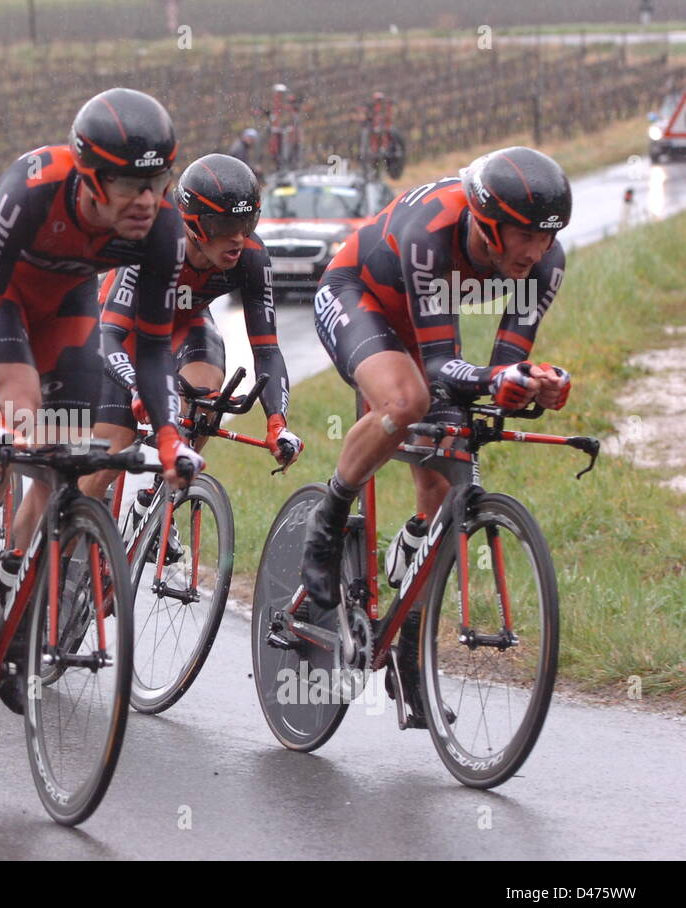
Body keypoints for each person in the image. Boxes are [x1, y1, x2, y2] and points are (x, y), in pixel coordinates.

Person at [301, 145, 573, 726]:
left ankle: (406, 647)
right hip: (358, 295)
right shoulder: (434, 233)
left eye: (548, 236)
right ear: (487, 224)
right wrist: (497, 378)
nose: (537, 250)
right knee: (407, 400)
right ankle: (327, 521)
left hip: (417, 322)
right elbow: (442, 364)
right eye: (526, 235)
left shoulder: (546, 264)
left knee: (442, 487)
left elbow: (502, 368)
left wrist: (531, 385)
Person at [0, 87, 203, 645]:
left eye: (158, 183)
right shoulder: (33, 189)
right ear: (93, 179)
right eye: (131, 186)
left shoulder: (164, 229)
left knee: (66, 451)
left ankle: (11, 590)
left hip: (64, 292)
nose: (148, 201)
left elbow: (151, 348)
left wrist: (170, 437)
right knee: (18, 414)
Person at [84, 153, 302, 505]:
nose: (237, 239)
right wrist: (137, 385)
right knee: (111, 453)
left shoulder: (251, 256)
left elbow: (267, 350)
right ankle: (69, 541)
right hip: (124, 333)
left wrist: (277, 422)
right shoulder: (153, 243)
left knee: (207, 399)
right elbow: (109, 335)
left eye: (247, 223)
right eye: (223, 227)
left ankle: (159, 501)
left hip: (188, 326)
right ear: (193, 224)